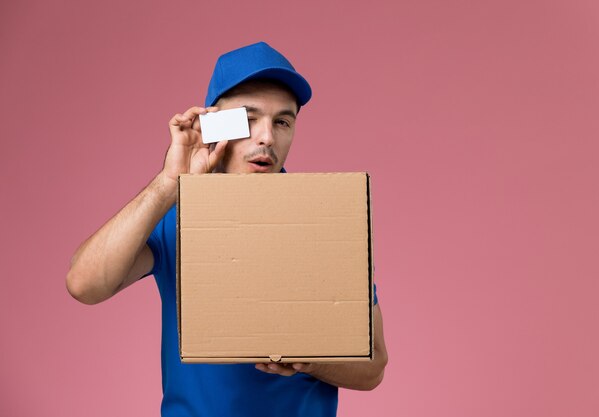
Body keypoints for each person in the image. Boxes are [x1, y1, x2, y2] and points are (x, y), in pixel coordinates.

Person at [66, 41, 388, 417]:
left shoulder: (324, 220)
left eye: (282, 121)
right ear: (213, 123)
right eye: (248, 119)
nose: (267, 136)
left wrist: (307, 357)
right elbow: (84, 284)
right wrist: (169, 183)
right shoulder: (177, 215)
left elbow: (374, 367)